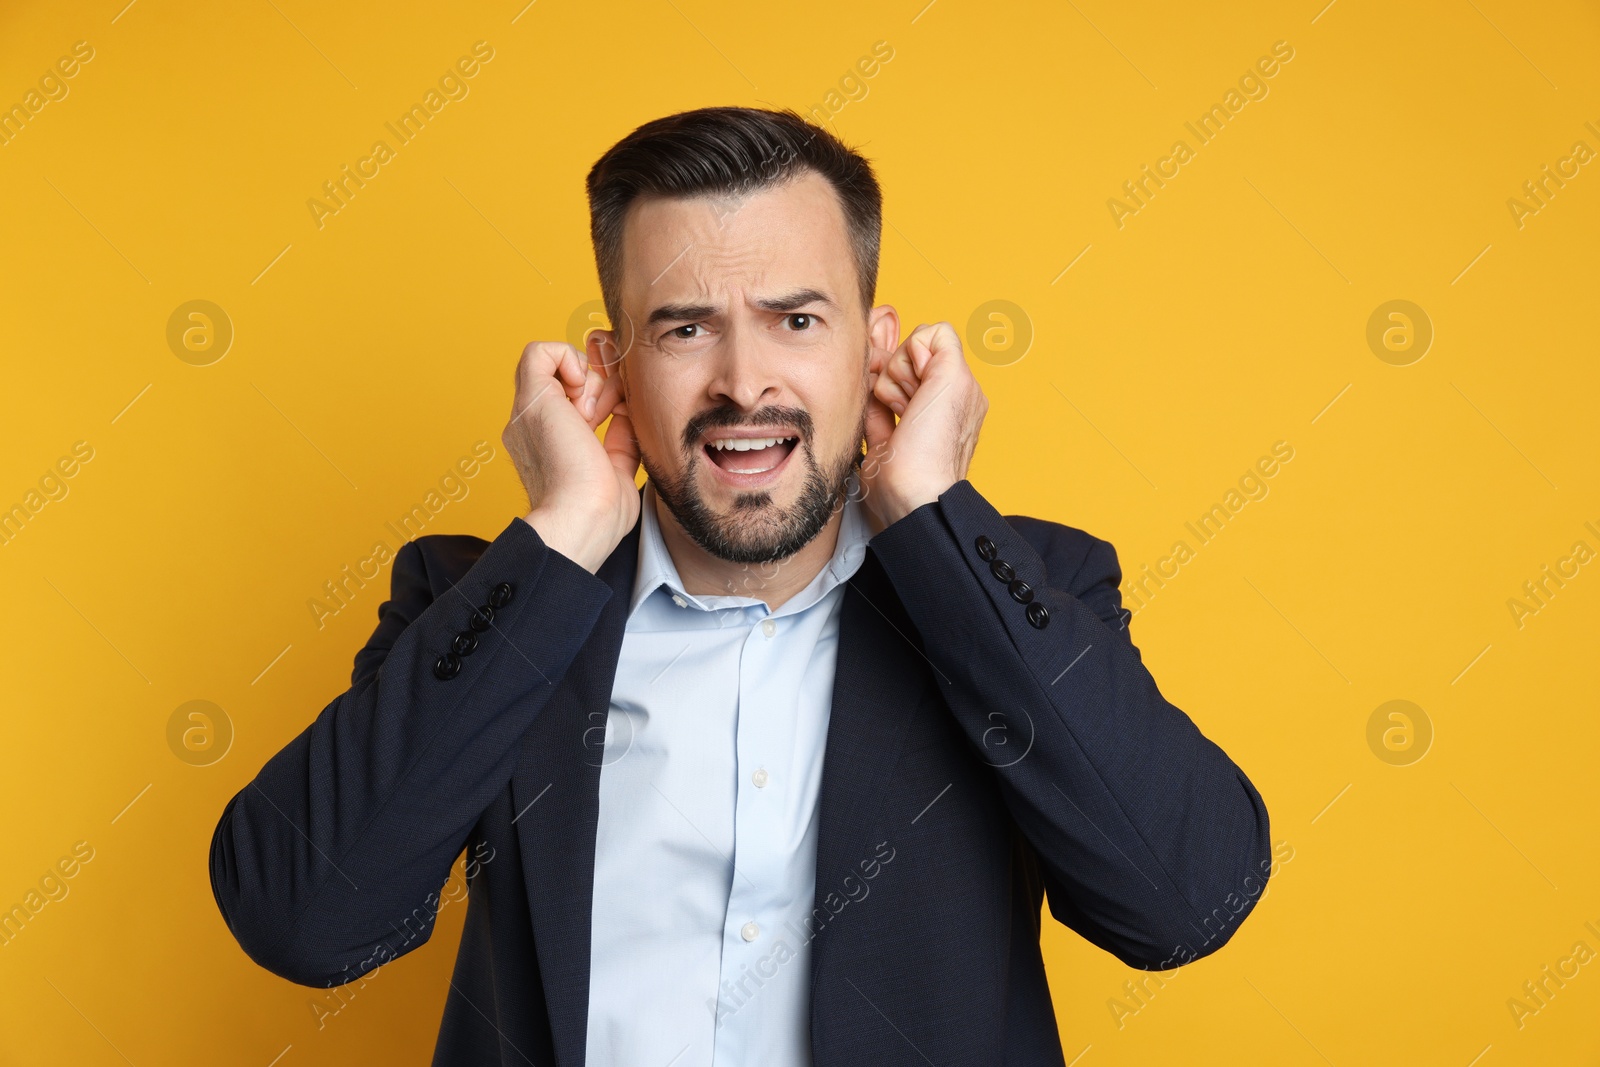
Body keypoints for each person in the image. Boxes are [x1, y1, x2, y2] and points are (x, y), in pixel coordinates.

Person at [210, 105, 1272, 1066]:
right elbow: (304, 919)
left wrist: (937, 516)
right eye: (683, 327)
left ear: (877, 349)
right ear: (614, 364)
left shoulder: (1026, 587)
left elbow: (1186, 902)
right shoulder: (486, 603)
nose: (742, 381)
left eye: (797, 320)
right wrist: (565, 529)